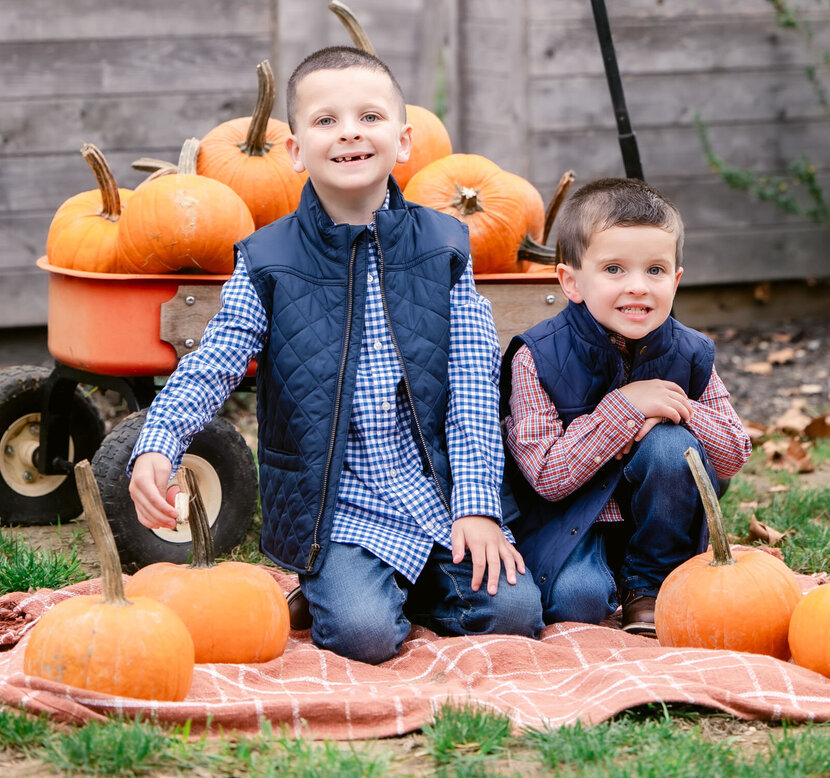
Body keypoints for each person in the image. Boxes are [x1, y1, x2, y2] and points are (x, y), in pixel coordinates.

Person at [129, 44, 543, 663]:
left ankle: (396, 585)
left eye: (369, 118)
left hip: (436, 491)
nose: (349, 132)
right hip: (339, 506)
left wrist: (478, 510)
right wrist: (160, 440)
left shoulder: (445, 247)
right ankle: (345, 586)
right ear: (295, 151)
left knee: (515, 616)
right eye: (325, 120)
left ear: (404, 142)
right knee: (363, 636)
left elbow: (474, 389)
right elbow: (214, 361)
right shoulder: (270, 261)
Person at [501, 176, 751, 636]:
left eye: (655, 271)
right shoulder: (535, 357)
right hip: (573, 520)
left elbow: (733, 455)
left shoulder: (690, 352)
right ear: (571, 281)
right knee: (579, 600)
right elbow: (547, 478)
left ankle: (651, 585)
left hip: (661, 525)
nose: (638, 287)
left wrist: (683, 410)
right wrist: (623, 408)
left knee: (670, 444)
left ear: (675, 281)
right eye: (614, 269)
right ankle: (610, 580)